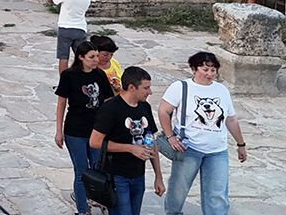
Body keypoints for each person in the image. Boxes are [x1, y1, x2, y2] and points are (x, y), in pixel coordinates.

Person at [158, 52, 248, 215]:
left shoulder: (222, 90)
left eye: (213, 70)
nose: (210, 74)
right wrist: (170, 136)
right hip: (188, 149)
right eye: (205, 69)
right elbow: (164, 111)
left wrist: (241, 144)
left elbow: (231, 120)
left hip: (217, 151)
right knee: (178, 191)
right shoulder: (180, 87)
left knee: (217, 195)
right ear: (194, 69)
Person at [90, 66, 166, 215]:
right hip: (116, 176)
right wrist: (130, 148)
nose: (150, 92)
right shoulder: (110, 109)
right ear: (132, 87)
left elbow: (152, 140)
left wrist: (158, 176)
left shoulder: (145, 107)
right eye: (146, 88)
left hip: (138, 175)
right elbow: (94, 142)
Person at [56, 40, 115, 215]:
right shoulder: (69, 76)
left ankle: (98, 199)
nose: (96, 60)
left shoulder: (100, 75)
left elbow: (107, 101)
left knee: (98, 169)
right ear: (81, 57)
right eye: (91, 57)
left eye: (97, 56)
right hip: (75, 131)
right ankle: (83, 210)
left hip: (96, 131)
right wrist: (58, 131)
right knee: (81, 171)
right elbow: (61, 103)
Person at [51, 0, 92, 73]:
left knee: (63, 57)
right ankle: (82, 80)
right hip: (80, 28)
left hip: (65, 28)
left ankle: (64, 84)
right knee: (81, 57)